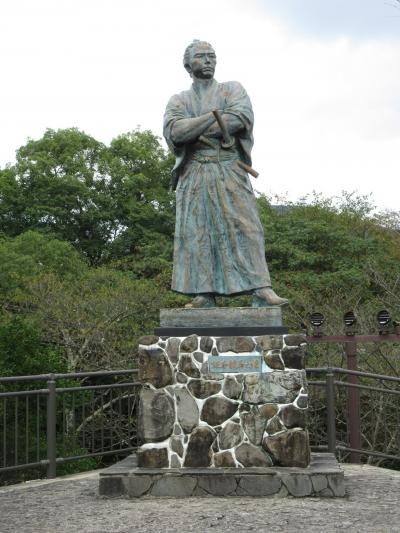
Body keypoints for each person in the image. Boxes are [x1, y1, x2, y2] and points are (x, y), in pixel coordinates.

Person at [163, 40, 287, 308]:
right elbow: (176, 132)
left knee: (247, 226)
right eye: (201, 56)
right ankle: (203, 293)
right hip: (195, 173)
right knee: (198, 233)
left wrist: (196, 126)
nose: (208, 60)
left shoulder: (232, 89)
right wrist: (214, 117)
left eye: (212, 56)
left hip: (230, 167)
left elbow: (239, 119)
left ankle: (261, 289)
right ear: (188, 65)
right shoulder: (179, 100)